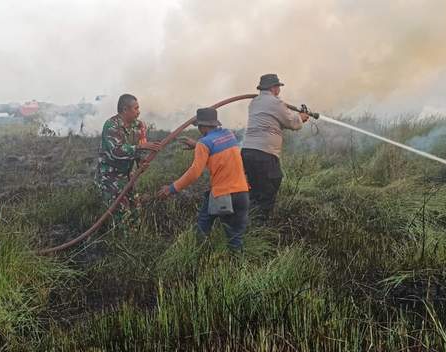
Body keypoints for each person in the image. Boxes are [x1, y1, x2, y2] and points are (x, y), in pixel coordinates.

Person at [158, 108, 249, 251]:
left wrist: (171, 188)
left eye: (199, 126)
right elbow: (219, 151)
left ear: (202, 126)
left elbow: (194, 172)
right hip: (243, 194)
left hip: (223, 196)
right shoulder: (229, 135)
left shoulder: (204, 143)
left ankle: (196, 258)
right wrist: (197, 146)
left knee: (202, 228)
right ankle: (238, 269)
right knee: (235, 239)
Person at [242, 74, 310, 221]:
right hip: (264, 154)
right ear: (273, 88)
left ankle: (248, 222)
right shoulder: (275, 103)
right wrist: (302, 117)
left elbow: (271, 123)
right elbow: (293, 123)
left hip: (248, 152)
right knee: (269, 188)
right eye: (278, 86)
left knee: (255, 189)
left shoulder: (254, 102)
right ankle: (258, 227)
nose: (279, 89)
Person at [96, 94, 161, 224]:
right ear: (125, 109)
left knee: (136, 211)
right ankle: (121, 241)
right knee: (121, 215)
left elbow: (140, 151)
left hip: (128, 176)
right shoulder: (111, 126)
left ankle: (135, 240)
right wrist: (140, 147)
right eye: (136, 108)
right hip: (111, 177)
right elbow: (117, 152)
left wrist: (141, 162)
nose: (139, 111)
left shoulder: (139, 126)